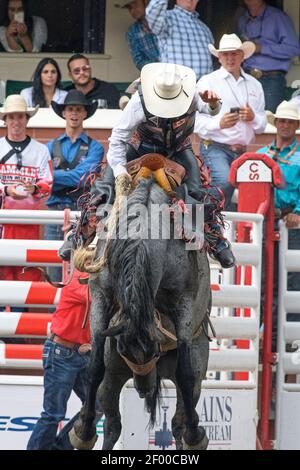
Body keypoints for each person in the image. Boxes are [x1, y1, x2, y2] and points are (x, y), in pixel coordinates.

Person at [90, 62, 235, 268]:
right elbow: (118, 137)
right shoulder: (138, 101)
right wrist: (121, 172)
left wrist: (213, 103)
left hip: (178, 150)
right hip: (140, 147)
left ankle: (215, 240)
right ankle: (83, 231)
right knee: (106, 183)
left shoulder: (193, 95)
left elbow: (211, 110)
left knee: (196, 190)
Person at [195, 33, 267, 209]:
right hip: (215, 146)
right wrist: (219, 123)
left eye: (234, 53)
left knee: (244, 190)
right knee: (225, 183)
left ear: (242, 56)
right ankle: (209, 223)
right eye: (225, 54)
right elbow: (195, 120)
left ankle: (218, 226)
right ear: (219, 57)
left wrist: (253, 117)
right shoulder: (208, 81)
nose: (230, 58)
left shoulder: (254, 84)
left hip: (243, 151)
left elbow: (262, 124)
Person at [26, 269, 93, 450]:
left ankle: (57, 448)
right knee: (53, 414)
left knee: (96, 406)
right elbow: (95, 297)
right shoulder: (76, 280)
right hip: (62, 352)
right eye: (89, 259)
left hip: (71, 352)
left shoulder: (78, 278)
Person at [45, 90, 104, 281]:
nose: (74, 113)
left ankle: (79, 310)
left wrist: (55, 176)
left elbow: (83, 177)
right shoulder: (49, 146)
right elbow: (44, 178)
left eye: (78, 109)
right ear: (63, 113)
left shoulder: (96, 147)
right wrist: (68, 176)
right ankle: (55, 309)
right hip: (55, 209)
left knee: (81, 266)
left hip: (82, 213)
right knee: (52, 265)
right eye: (70, 109)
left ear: (85, 113)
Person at [257, 100, 300, 351]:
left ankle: (291, 338)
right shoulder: (261, 156)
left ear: (295, 126)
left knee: (293, 279)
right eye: (281, 120)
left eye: (290, 121)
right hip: (268, 220)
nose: (285, 124)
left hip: (292, 222)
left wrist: (298, 211)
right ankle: (267, 336)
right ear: (276, 124)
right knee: (266, 279)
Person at [0, 95, 52, 282]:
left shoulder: (41, 150)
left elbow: (48, 183)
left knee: (27, 276)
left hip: (29, 223)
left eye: (20, 116)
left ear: (27, 119)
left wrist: (35, 188)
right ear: (4, 120)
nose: (16, 121)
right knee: (3, 277)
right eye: (11, 117)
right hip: (2, 223)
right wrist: (6, 190)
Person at [237, 0, 300, 113]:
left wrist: (261, 48)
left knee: (269, 122)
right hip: (246, 77)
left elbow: (293, 49)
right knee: (246, 120)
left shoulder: (278, 17)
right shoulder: (242, 20)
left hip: (271, 79)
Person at [145, 0, 213, 80]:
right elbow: (152, 11)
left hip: (203, 89)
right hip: (175, 88)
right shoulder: (166, 19)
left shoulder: (205, 29)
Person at [115, 0, 160, 71]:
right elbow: (139, 60)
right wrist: (156, 68)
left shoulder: (167, 20)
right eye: (129, 8)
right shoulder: (132, 32)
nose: (132, 10)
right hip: (156, 74)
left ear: (145, 1)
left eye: (134, 4)